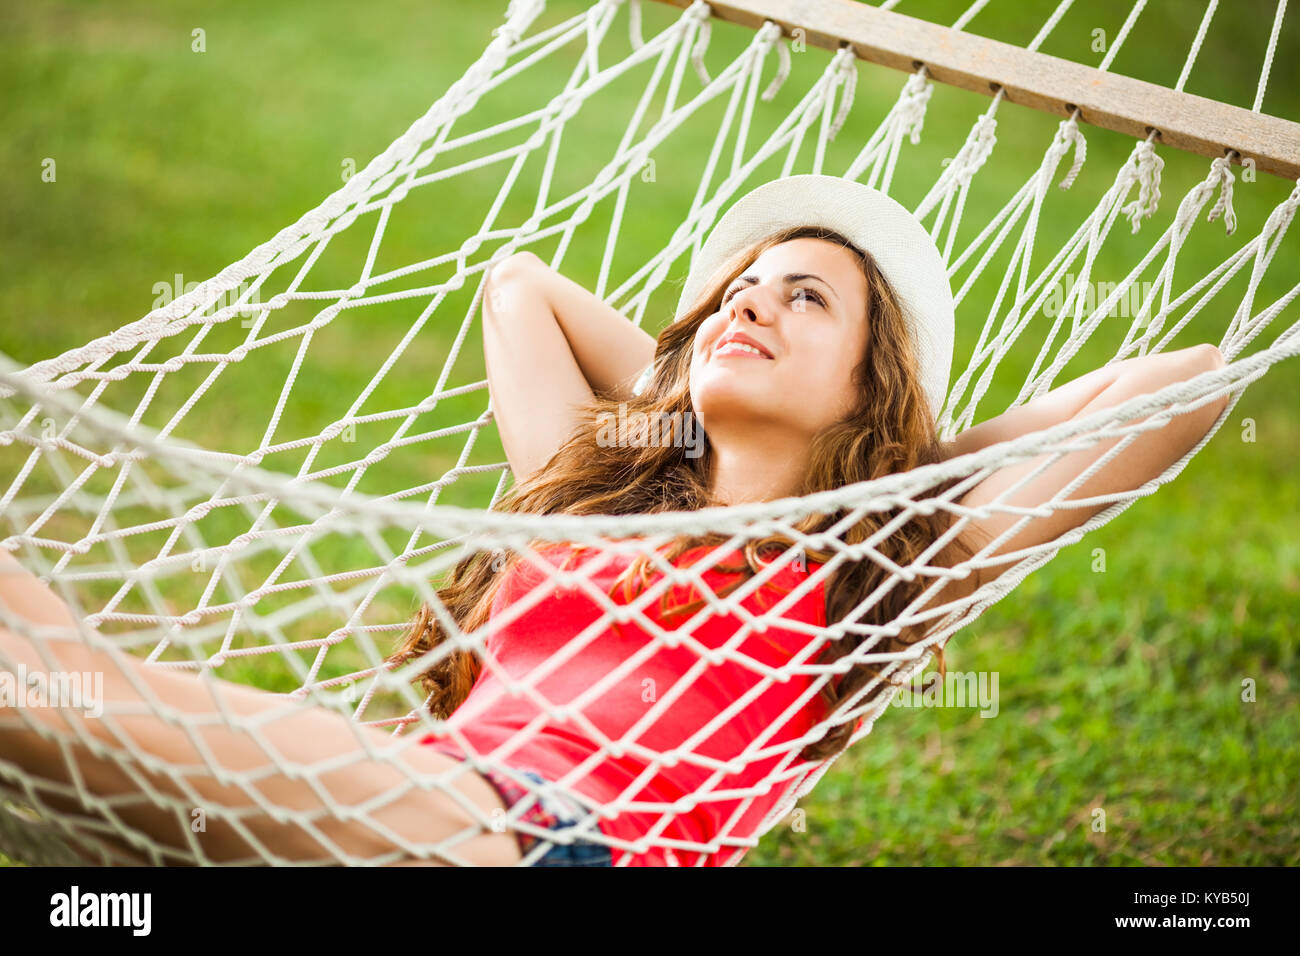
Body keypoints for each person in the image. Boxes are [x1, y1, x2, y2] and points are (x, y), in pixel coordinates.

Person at [0, 175, 1228, 867]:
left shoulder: (876, 569)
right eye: (735, 295)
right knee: (43, 656)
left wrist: (900, 467)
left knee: (58, 692)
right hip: (420, 800)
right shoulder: (593, 496)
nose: (751, 308)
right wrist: (691, 393)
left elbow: (1190, 384)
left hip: (540, 843)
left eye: (805, 300)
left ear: (872, 380)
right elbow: (517, 285)